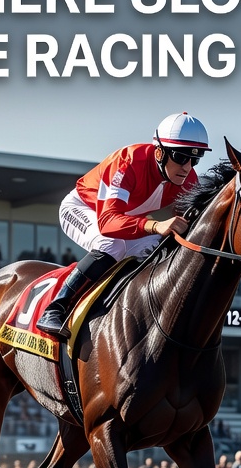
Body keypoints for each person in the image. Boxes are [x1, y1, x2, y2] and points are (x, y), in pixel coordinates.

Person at [38, 112, 210, 339]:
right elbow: (108, 222)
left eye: (194, 159)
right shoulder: (128, 162)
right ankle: (55, 308)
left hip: (125, 220)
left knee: (162, 251)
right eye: (180, 157)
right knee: (111, 244)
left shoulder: (188, 179)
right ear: (159, 151)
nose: (187, 167)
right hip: (84, 209)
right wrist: (154, 226)